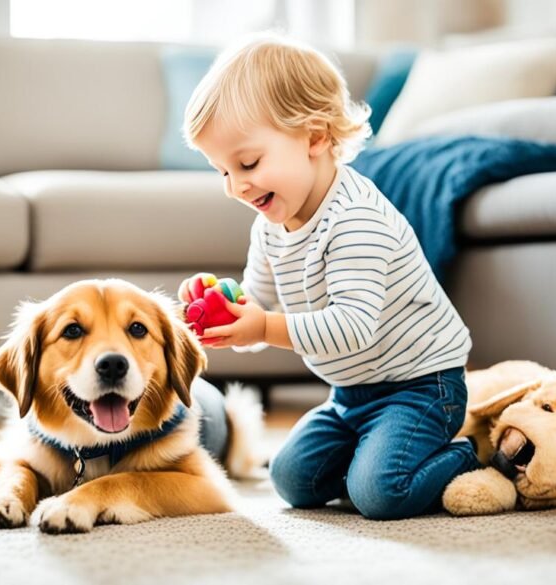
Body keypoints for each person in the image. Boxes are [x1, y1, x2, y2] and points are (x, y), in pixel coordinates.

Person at [177, 35, 481, 519]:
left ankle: (466, 456)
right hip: (350, 394)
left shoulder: (355, 218)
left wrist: (262, 328)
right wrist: (221, 300)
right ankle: (375, 451)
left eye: (248, 163)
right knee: (291, 479)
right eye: (222, 172)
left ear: (315, 137)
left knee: (380, 494)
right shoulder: (271, 227)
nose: (236, 186)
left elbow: (351, 328)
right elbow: (255, 302)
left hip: (422, 386)